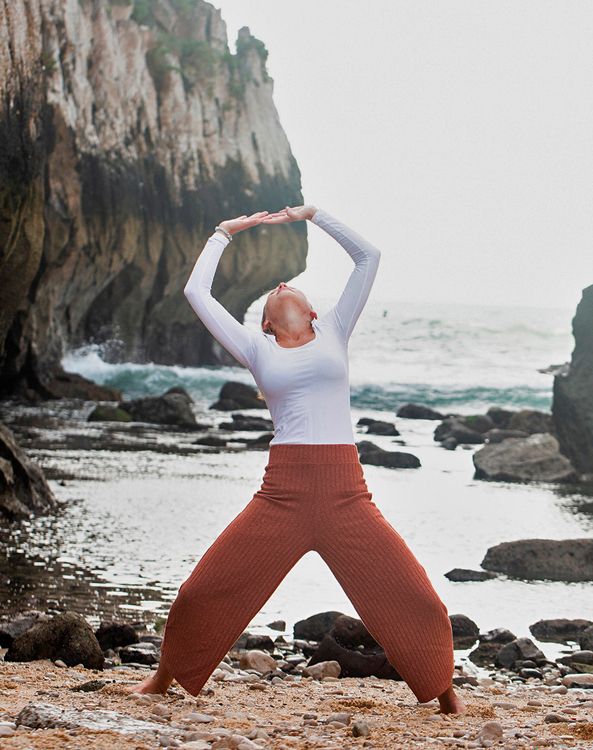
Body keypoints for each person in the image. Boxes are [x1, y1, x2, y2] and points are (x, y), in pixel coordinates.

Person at [130, 205, 466, 714]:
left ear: (312, 312)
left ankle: (444, 690)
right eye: (275, 290)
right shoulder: (255, 348)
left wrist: (314, 216)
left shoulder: (334, 330)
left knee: (411, 594)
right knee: (205, 589)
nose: (284, 282)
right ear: (266, 322)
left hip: (345, 492)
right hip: (281, 493)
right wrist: (224, 233)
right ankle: (162, 677)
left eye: (294, 288)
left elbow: (367, 257)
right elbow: (197, 293)